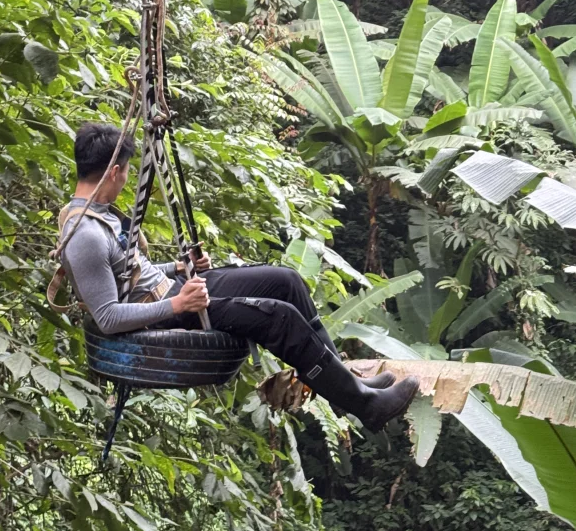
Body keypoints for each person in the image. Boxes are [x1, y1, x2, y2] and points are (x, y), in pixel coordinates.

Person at [57, 121, 419, 432]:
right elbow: (106, 317)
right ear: (116, 171)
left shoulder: (102, 214)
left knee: (285, 280)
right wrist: (178, 303)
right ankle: (366, 407)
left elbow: (131, 272)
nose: (126, 180)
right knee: (279, 318)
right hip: (166, 312)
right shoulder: (85, 235)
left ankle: (345, 383)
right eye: (127, 171)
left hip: (175, 291)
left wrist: (180, 269)